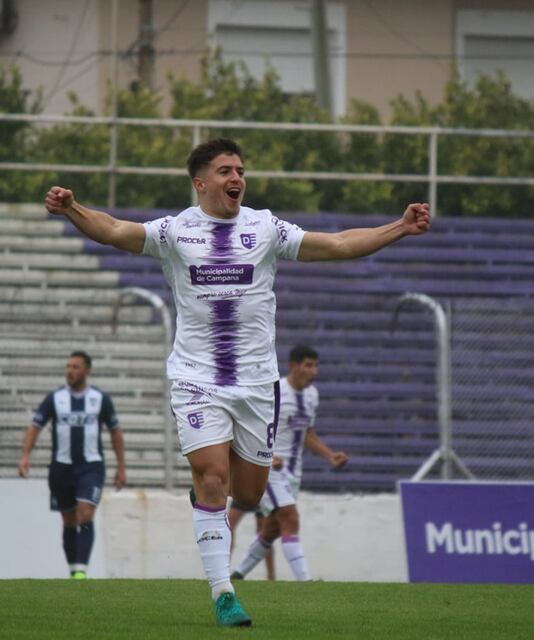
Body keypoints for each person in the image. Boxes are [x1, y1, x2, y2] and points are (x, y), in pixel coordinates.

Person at [44, 138, 430, 626]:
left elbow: (335, 244)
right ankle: (223, 592)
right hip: (196, 379)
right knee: (212, 479)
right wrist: (72, 207)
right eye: (225, 170)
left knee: (247, 496)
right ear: (200, 182)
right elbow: (115, 230)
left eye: (241, 170)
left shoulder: (265, 227)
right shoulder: (174, 231)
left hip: (255, 385)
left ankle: (214, 499)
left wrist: (400, 226)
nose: (237, 178)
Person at [230, 344, 347, 581]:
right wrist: (264, 456)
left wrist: (328, 454)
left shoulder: (312, 395)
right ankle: (306, 582)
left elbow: (306, 433)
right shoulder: (275, 392)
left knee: (272, 528)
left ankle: (238, 575)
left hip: (293, 472)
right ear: (293, 366)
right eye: (308, 365)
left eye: (316, 365)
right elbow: (250, 426)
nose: (314, 371)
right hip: (269, 468)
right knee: (290, 517)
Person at [18, 350, 126, 579]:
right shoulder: (55, 398)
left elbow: (115, 431)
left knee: (85, 514)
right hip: (61, 468)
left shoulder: (100, 399)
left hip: (91, 467)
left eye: (76, 367)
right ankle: (73, 569)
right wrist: (25, 455)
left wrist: (121, 466)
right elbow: (35, 426)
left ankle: (81, 572)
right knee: (68, 519)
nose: (70, 371)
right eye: (68, 366)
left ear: (87, 370)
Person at [227, 505, 276, 581]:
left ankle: (271, 577)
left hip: (260, 496)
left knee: (265, 532)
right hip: (242, 495)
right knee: (228, 526)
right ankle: (223, 572)